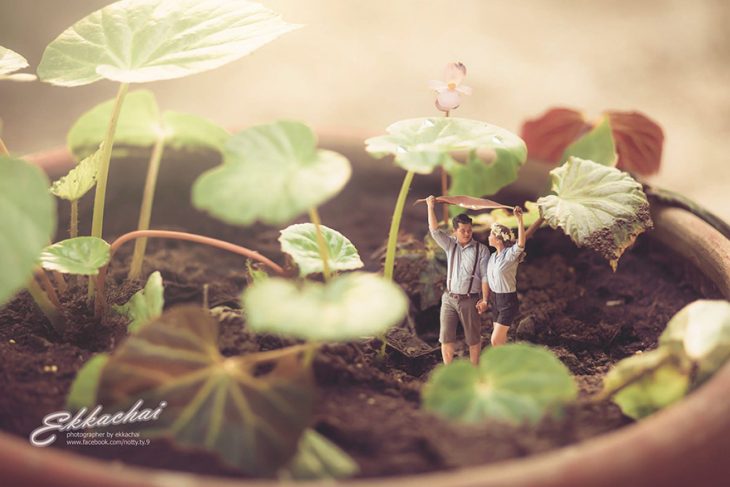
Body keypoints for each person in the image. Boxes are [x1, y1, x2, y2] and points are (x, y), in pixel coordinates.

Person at [426, 195, 489, 365]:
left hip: (470, 299)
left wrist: (484, 299)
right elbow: (434, 230)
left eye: (469, 230)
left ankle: (474, 369)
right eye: (462, 230)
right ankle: (449, 370)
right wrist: (430, 207)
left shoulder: (481, 250)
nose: (467, 233)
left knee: (473, 338)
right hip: (449, 298)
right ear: (455, 231)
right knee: (446, 337)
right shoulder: (450, 245)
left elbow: (485, 276)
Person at [486, 206, 527, 347]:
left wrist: (519, 220)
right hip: (495, 299)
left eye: (491, 234)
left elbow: (521, 244)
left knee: (495, 340)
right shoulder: (492, 257)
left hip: (507, 300)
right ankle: (504, 367)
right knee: (500, 341)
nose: (488, 236)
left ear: (498, 240)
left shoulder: (509, 255)